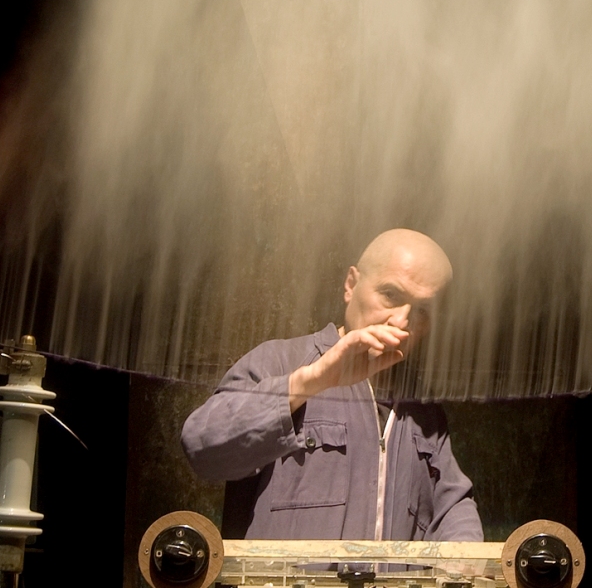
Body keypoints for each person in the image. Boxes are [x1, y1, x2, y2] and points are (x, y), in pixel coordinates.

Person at [180, 229, 483, 541]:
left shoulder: (423, 411)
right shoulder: (279, 361)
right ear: (351, 285)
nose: (402, 322)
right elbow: (202, 449)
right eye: (391, 295)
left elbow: (453, 509)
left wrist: (469, 558)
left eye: (422, 311)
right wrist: (315, 378)